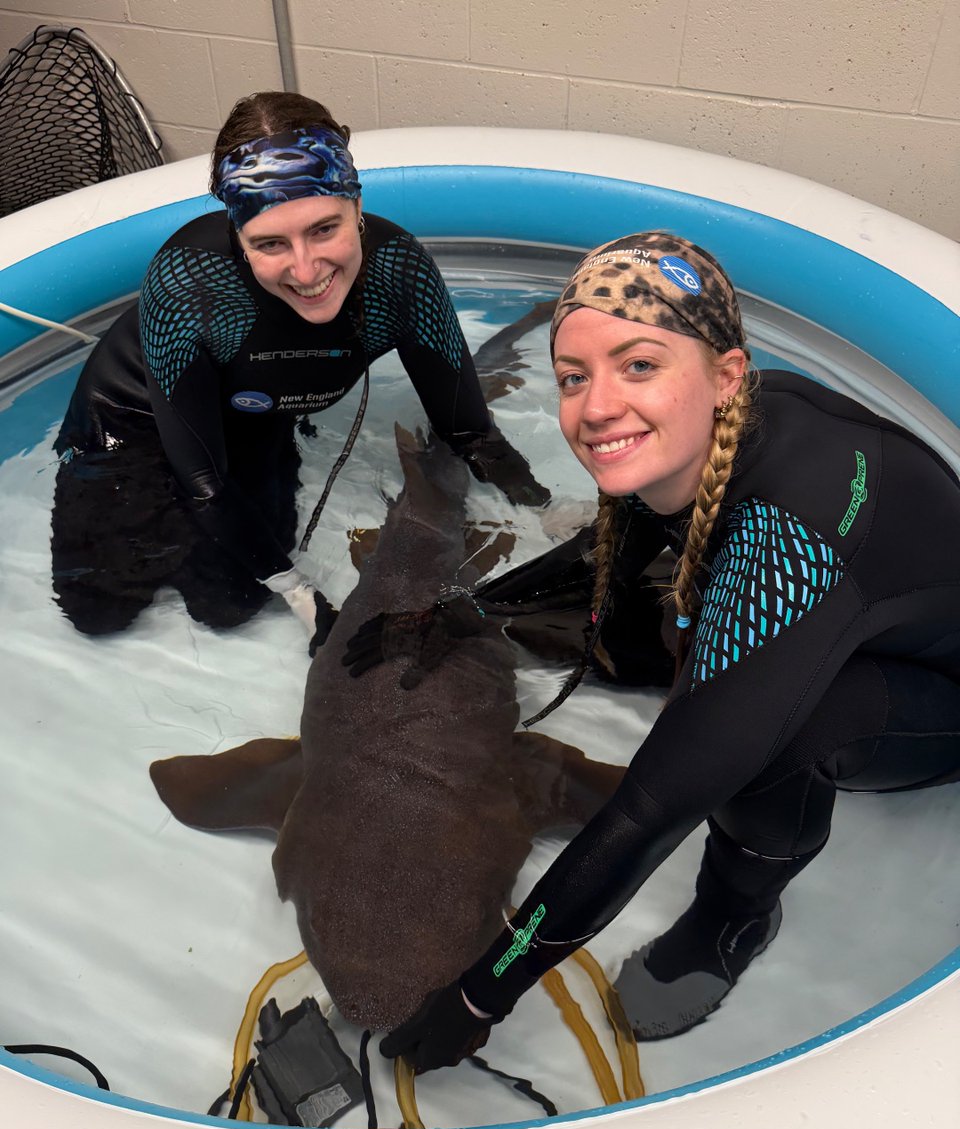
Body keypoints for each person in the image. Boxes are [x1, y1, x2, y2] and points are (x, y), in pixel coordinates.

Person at [343, 231, 960, 1070]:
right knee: (641, 615)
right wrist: (461, 616)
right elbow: (613, 542)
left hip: (941, 698)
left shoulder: (789, 542)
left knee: (781, 734)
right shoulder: (715, 426)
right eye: (574, 377)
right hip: (864, 602)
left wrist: (480, 994)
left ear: (725, 374)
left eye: (639, 366)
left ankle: (734, 915)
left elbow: (649, 809)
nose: (596, 408)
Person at [50, 91, 548, 644]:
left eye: (323, 229)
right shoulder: (189, 281)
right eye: (269, 242)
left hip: (255, 420)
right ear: (237, 236)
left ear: (356, 207)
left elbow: (466, 426)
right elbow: (203, 481)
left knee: (228, 607)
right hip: (129, 421)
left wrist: (541, 505)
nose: (307, 270)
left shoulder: (401, 273)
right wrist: (299, 592)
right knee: (97, 616)